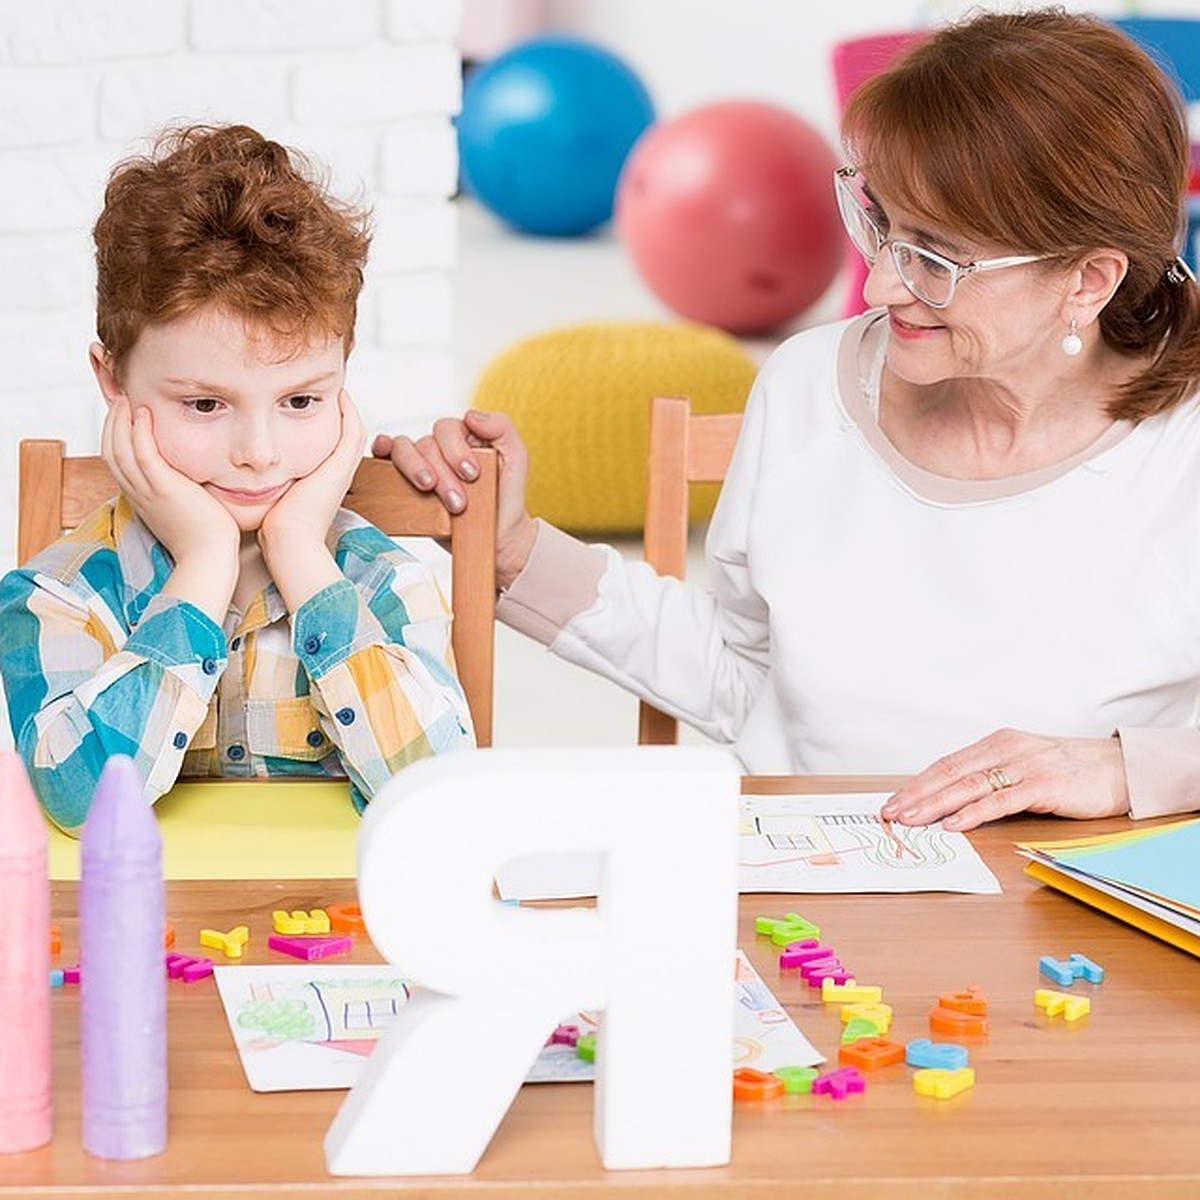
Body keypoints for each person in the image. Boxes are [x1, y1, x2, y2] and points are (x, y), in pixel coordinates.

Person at [377, 9, 1200, 833]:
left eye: (937, 260)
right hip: (818, 897)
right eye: (882, 228)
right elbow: (747, 675)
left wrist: (1129, 767)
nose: (880, 287)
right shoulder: (808, 386)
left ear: (1089, 280)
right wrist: (513, 548)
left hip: (1079, 927)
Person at [0, 123, 474, 834]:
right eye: (204, 404)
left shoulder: (384, 584)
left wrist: (302, 555)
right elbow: (80, 803)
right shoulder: (59, 597)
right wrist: (205, 560)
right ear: (112, 381)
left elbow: (439, 794)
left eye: (301, 401)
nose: (258, 452)